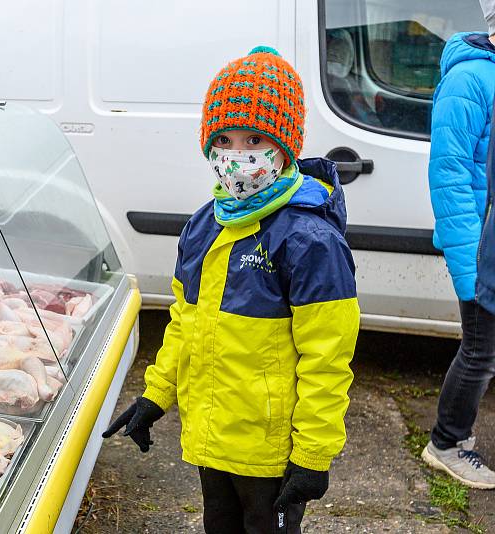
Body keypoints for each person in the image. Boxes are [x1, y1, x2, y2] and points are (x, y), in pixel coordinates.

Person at [102, 46, 360, 533]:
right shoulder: (204, 225)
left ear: (284, 146)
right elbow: (185, 322)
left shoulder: (310, 240)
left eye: (254, 138)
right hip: (212, 441)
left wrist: (313, 454)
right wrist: (156, 396)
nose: (237, 156)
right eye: (224, 138)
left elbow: (328, 359)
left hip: (269, 455)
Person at [422, 3, 495, 489]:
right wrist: (471, 265)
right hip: (482, 250)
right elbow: (448, 176)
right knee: (481, 351)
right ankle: (447, 442)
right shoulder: (470, 79)